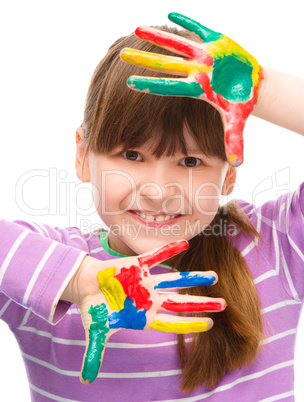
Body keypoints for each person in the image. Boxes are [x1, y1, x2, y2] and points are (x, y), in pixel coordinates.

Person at [1, 11, 304, 401]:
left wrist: (264, 89)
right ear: (82, 155)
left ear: (229, 174)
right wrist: (77, 280)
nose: (158, 192)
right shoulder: (49, 271)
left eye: (191, 162)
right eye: (131, 154)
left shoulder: (276, 247)